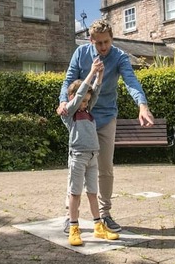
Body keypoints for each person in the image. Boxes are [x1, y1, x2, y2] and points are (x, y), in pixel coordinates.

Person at [57, 18, 153, 234]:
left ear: (112, 39)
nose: (103, 47)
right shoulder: (80, 54)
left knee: (105, 168)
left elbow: (131, 81)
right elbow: (68, 80)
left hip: (107, 116)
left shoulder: (119, 57)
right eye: (98, 43)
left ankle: (105, 214)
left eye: (106, 42)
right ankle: (70, 216)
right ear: (91, 40)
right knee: (76, 167)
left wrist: (142, 105)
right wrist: (64, 100)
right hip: (82, 116)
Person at [60, 58, 120, 246]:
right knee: (75, 193)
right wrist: (91, 72)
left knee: (92, 192)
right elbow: (80, 95)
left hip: (93, 155)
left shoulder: (88, 110)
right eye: (82, 100)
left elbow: (95, 92)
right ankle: (74, 227)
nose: (85, 104)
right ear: (73, 98)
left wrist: (100, 75)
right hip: (78, 157)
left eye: (87, 101)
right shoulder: (69, 113)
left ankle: (98, 226)